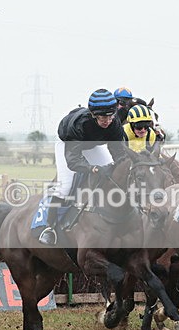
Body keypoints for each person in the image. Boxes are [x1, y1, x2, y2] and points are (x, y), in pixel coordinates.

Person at [38, 89, 128, 245]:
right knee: (65, 186)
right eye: (102, 118)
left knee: (112, 174)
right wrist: (93, 168)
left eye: (110, 116)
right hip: (68, 145)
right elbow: (73, 161)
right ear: (93, 115)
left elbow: (119, 154)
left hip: (92, 144)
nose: (107, 121)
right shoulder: (79, 124)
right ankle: (49, 227)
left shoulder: (115, 123)